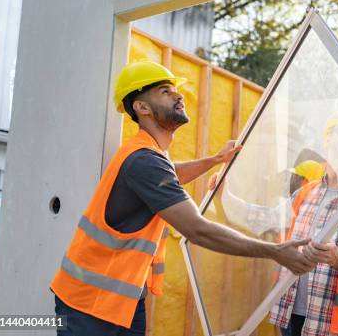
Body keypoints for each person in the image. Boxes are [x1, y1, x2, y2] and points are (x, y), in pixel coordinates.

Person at [49, 60, 314, 336]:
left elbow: (171, 173)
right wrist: (275, 252)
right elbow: (198, 229)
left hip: (120, 300)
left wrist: (214, 160)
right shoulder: (145, 161)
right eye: (165, 91)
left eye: (175, 90)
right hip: (87, 305)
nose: (178, 95)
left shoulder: (147, 153)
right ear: (142, 108)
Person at [209, 115, 338, 336]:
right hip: (291, 314)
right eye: (337, 139)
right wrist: (225, 196)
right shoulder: (307, 192)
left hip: (335, 326)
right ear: (327, 145)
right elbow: (264, 218)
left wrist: (336, 258)